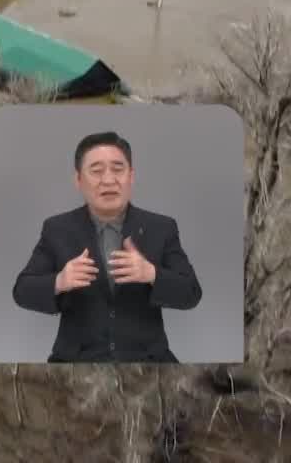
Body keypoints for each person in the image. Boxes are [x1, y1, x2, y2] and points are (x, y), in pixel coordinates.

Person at [12, 130, 203, 362]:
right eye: (96, 171)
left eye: (117, 169)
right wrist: (59, 281)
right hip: (77, 361)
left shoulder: (161, 227)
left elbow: (192, 293)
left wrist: (152, 274)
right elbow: (22, 291)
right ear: (78, 180)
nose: (109, 180)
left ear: (131, 176)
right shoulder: (57, 229)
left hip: (148, 361)